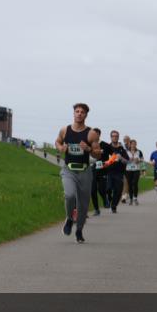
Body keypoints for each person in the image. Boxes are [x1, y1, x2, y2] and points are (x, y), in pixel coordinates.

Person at [55, 103, 101, 243]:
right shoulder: (65, 130)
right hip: (69, 170)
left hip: (85, 171)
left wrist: (88, 149)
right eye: (77, 111)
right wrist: (61, 148)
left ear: (86, 115)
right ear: (73, 113)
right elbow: (57, 142)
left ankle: (79, 230)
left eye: (82, 112)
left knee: (83, 205)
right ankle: (69, 218)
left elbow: (98, 154)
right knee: (69, 195)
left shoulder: (91, 133)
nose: (79, 114)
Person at [101, 130, 129, 213]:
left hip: (119, 173)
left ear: (118, 137)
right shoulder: (107, 147)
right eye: (113, 136)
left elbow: (127, 161)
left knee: (118, 190)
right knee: (108, 188)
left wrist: (121, 158)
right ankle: (109, 198)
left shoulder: (121, 149)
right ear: (111, 137)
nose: (115, 137)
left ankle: (114, 206)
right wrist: (105, 163)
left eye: (116, 136)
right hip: (109, 172)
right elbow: (102, 159)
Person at [89, 127, 106, 216]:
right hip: (87, 169)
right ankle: (93, 210)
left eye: (96, 134)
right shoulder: (87, 143)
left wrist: (107, 162)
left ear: (99, 135)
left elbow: (112, 155)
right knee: (89, 190)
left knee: (98, 190)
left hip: (99, 169)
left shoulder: (103, 145)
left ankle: (102, 202)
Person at [125, 139, 144, 205]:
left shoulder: (139, 151)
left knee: (135, 183)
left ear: (136, 144)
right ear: (129, 144)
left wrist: (138, 160)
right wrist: (128, 160)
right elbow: (123, 160)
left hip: (136, 169)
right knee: (130, 184)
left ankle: (135, 198)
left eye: (134, 144)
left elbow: (142, 159)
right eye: (132, 144)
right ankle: (131, 199)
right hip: (128, 170)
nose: (133, 145)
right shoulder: (126, 151)